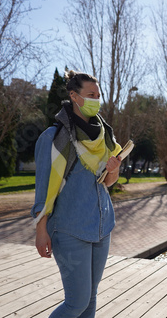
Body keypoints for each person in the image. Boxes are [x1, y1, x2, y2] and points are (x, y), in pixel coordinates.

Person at [31, 70, 122, 317]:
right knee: (76, 303)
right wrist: (41, 231)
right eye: (91, 94)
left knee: (90, 300)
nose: (96, 99)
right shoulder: (53, 138)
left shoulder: (105, 136)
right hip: (70, 230)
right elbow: (43, 191)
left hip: (102, 228)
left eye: (98, 95)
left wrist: (113, 170)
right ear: (74, 96)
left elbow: (107, 182)